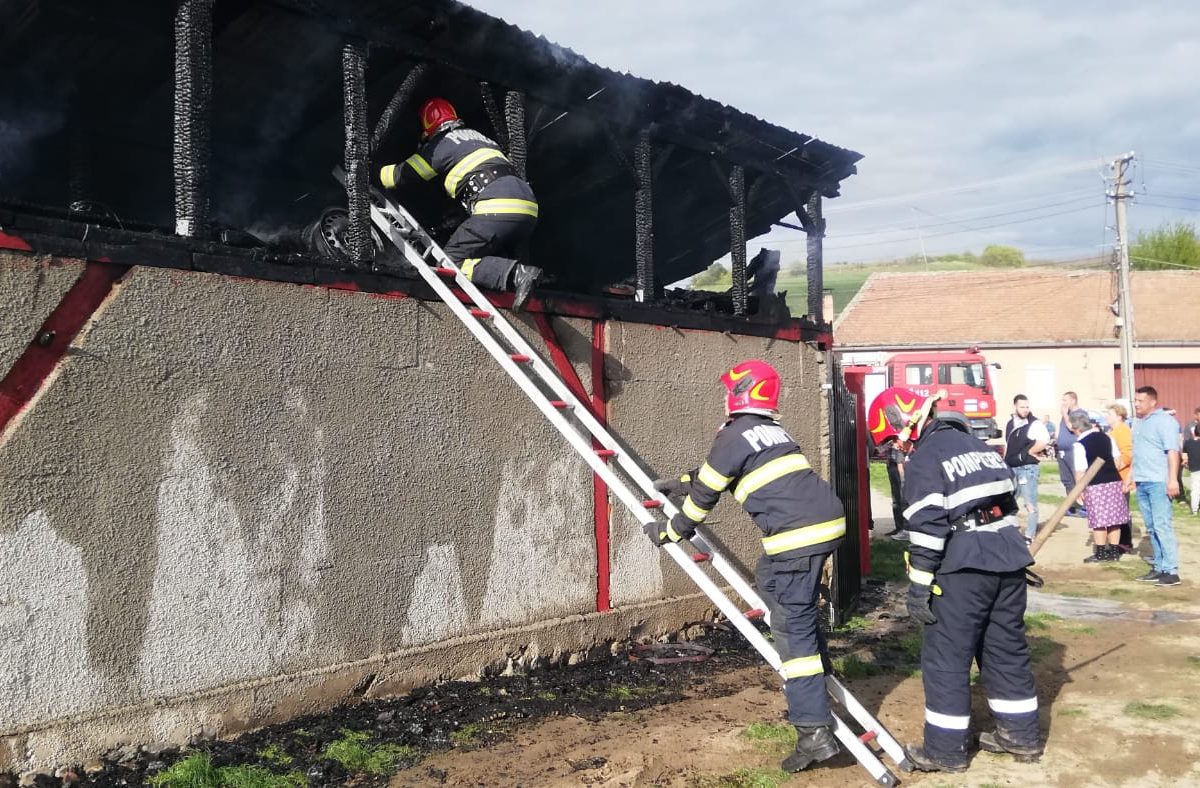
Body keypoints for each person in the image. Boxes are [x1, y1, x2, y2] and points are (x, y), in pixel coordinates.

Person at [646, 360, 846, 774]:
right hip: (824, 523)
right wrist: (681, 482)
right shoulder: (771, 430)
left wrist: (670, 531)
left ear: (742, 391)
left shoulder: (734, 433)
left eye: (728, 389)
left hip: (797, 537)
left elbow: (706, 497)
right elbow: (721, 474)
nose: (724, 396)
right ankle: (817, 685)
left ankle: (814, 732)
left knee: (794, 630)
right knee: (771, 583)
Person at [867, 387, 1040, 773]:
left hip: (964, 567)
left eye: (894, 439)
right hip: (1008, 561)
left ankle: (945, 750)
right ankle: (1021, 736)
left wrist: (919, 587)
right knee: (1005, 649)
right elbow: (1008, 501)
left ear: (904, 422)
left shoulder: (926, 459)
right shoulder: (976, 446)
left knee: (946, 657)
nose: (897, 448)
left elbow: (927, 531)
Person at [379, 97, 542, 309]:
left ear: (427, 129)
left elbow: (402, 176)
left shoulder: (442, 144)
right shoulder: (480, 137)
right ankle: (516, 279)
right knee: (488, 253)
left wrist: (373, 169)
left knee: (451, 262)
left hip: (497, 207)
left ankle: (518, 274)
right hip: (528, 208)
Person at [1127, 386, 1182, 586]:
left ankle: (1171, 570)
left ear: (1152, 402)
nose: (1137, 404)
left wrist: (1173, 479)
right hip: (1142, 481)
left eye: (1140, 401)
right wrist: (1131, 476)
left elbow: (1172, 451)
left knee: (1162, 525)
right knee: (1151, 527)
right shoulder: (1137, 423)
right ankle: (1159, 567)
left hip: (1159, 481)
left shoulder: (1165, 422)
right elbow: (1137, 452)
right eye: (1135, 401)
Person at [1069, 410, 1129, 563]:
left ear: (1075, 428)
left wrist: (1079, 491)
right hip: (1114, 481)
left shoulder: (1079, 444)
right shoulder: (1107, 437)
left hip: (1095, 485)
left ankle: (1101, 552)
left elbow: (1080, 471)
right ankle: (1114, 552)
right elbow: (1118, 461)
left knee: (1099, 521)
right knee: (1114, 519)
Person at [1004, 394, 1050, 543]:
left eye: (1027, 407)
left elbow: (1044, 440)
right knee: (1010, 501)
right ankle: (1011, 531)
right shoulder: (1010, 424)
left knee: (1029, 502)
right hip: (1012, 468)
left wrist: (1031, 451)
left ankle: (1029, 535)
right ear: (1015, 407)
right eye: (1022, 407)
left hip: (1027, 468)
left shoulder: (1034, 424)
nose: (1025, 410)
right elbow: (1007, 445)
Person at [1105, 404, 1135, 553]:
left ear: (1119, 416)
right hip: (1114, 476)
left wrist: (1115, 468)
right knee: (1117, 509)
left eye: (1109, 414)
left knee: (1122, 509)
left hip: (1121, 476)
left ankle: (1125, 541)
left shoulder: (1122, 430)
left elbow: (1128, 453)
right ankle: (1117, 540)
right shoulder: (1112, 431)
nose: (1106, 417)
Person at [1056, 392, 1087, 515]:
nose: (1063, 403)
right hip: (1062, 451)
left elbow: (1072, 427)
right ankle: (1072, 505)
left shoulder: (1080, 414)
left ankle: (1083, 506)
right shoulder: (1067, 414)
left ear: (1073, 400)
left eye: (1065, 400)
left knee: (1077, 478)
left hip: (1073, 451)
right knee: (1067, 480)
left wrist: (1064, 414)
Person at [886, 437, 910, 540]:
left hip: (899, 466)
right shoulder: (890, 434)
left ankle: (905, 529)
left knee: (902, 500)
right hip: (892, 464)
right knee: (895, 500)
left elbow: (908, 447)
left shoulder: (902, 431)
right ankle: (898, 527)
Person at [1183, 425, 1200, 516]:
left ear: (1194, 432)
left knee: (1195, 490)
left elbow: (1184, 457)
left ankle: (1194, 510)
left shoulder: (1188, 443)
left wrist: (1185, 463)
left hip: (1194, 469)